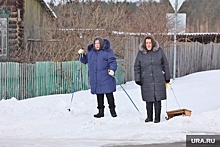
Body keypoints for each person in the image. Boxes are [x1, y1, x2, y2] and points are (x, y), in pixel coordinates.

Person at [78, 36, 117, 118]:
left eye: (98, 43)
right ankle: (100, 111)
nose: (97, 45)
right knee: (99, 95)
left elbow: (112, 61)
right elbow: (85, 61)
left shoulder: (108, 52)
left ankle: (112, 110)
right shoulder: (91, 53)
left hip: (106, 77)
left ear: (101, 44)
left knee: (109, 94)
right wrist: (81, 55)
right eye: (95, 43)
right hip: (96, 77)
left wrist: (112, 69)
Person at [134, 35, 170, 123]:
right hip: (146, 79)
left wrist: (167, 77)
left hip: (158, 78)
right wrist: (138, 78)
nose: (148, 44)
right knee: (148, 99)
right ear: (144, 44)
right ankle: (149, 117)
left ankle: (157, 118)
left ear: (153, 43)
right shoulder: (140, 53)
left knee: (158, 99)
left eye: (150, 43)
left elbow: (165, 64)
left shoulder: (159, 51)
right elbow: (137, 67)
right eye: (147, 43)